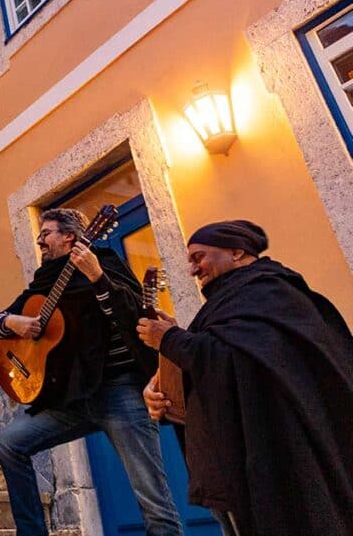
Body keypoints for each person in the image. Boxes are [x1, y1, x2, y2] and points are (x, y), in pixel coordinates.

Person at [138, 220, 353, 536]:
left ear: (237, 251)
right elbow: (219, 367)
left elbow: (246, 362)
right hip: (233, 467)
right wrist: (161, 393)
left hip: (279, 464)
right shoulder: (228, 303)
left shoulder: (270, 292)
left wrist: (171, 339)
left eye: (199, 257)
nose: (193, 270)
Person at [0, 208, 182, 536]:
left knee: (153, 501)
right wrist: (14, 322)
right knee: (9, 442)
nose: (40, 240)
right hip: (71, 396)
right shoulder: (44, 280)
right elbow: (0, 320)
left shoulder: (105, 262)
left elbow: (133, 315)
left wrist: (97, 278)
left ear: (70, 237)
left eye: (47, 233)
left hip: (120, 390)